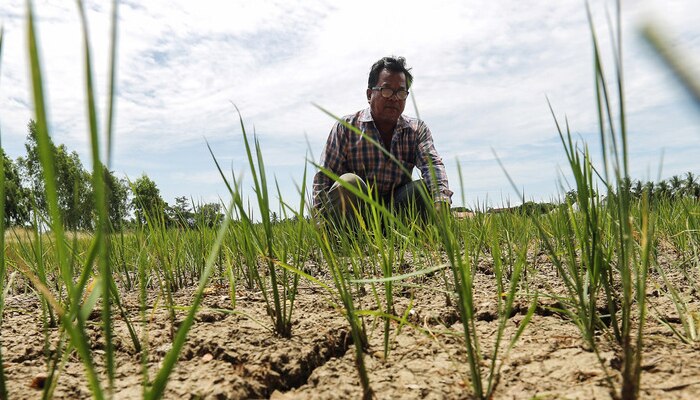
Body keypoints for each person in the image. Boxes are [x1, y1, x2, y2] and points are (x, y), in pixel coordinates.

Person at [313, 56, 452, 223]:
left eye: (401, 92)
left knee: (425, 188)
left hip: (396, 212)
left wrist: (441, 201)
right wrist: (320, 221)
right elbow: (324, 178)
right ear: (370, 94)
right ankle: (346, 243)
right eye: (386, 90)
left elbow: (433, 165)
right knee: (348, 182)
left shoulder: (416, 129)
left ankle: (409, 239)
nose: (394, 98)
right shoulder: (346, 127)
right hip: (357, 216)